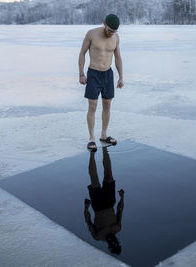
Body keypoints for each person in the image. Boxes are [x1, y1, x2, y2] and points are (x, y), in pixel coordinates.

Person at [78, 14, 124, 152]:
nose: (112, 33)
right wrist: (81, 73)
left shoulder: (116, 37)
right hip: (94, 73)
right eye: (110, 30)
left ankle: (104, 135)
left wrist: (121, 76)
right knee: (92, 106)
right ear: (104, 23)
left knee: (107, 104)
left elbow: (118, 57)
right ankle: (91, 138)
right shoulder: (92, 34)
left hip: (107, 74)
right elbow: (82, 53)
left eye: (114, 31)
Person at [84, 147, 125, 255]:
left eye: (112, 245)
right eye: (117, 243)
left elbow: (88, 222)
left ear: (109, 246)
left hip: (98, 207)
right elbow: (120, 211)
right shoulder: (117, 228)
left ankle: (92, 154)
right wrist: (122, 197)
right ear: (118, 242)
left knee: (94, 179)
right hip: (110, 202)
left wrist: (86, 208)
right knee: (109, 175)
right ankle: (104, 149)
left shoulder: (98, 236)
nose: (114, 242)